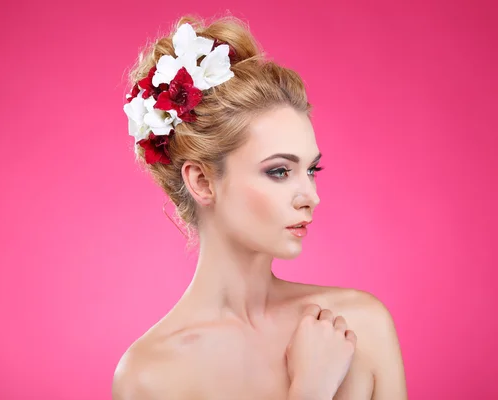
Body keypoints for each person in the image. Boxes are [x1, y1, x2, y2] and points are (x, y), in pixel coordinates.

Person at [114, 14, 407, 400]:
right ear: (201, 181)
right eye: (280, 171)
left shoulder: (360, 325)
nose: (311, 196)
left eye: (312, 169)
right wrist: (311, 388)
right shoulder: (149, 376)